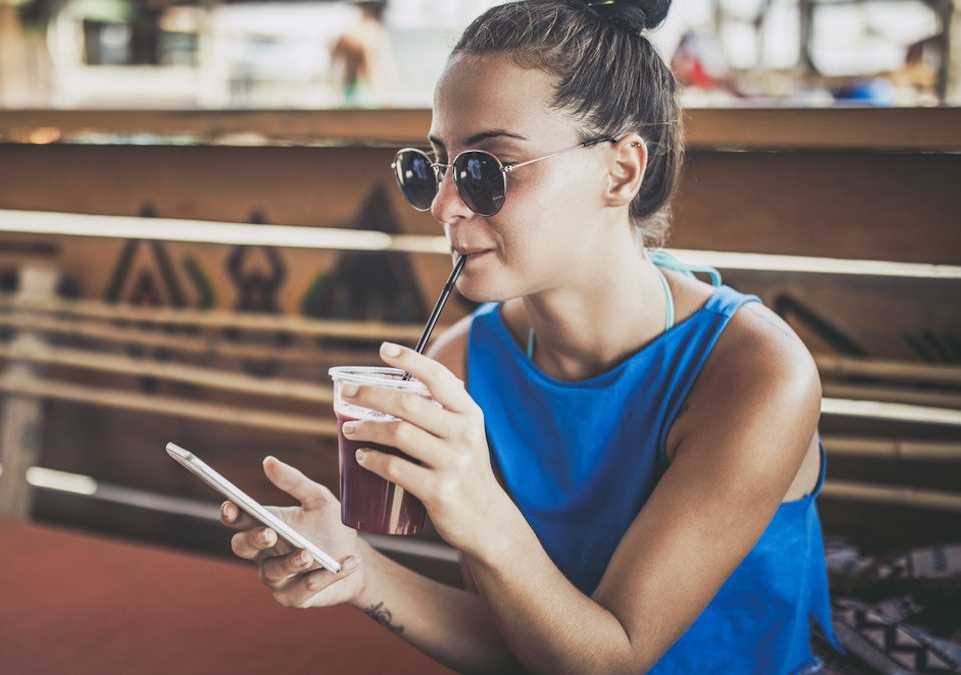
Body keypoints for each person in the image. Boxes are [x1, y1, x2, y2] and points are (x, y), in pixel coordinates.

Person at [220, 0, 837, 672]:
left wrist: (476, 503)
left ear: (621, 170)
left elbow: (612, 656)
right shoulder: (462, 367)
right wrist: (358, 568)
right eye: (433, 166)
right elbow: (530, 642)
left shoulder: (754, 373)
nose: (443, 205)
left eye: (486, 168)